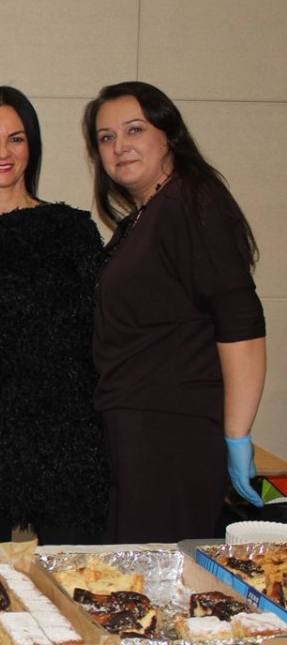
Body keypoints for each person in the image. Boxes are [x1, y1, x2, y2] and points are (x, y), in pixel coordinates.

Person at [84, 81, 265, 543]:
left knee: (161, 576)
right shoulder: (143, 218)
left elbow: (240, 320)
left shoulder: (190, 203)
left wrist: (237, 434)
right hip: (137, 431)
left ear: (169, 135)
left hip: (172, 432)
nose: (119, 146)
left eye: (134, 130)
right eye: (106, 137)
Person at [0, 85, 108, 546]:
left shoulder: (72, 231)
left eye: (16, 138)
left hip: (67, 444)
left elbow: (104, 339)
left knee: (72, 582)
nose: (2, 152)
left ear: (33, 146)